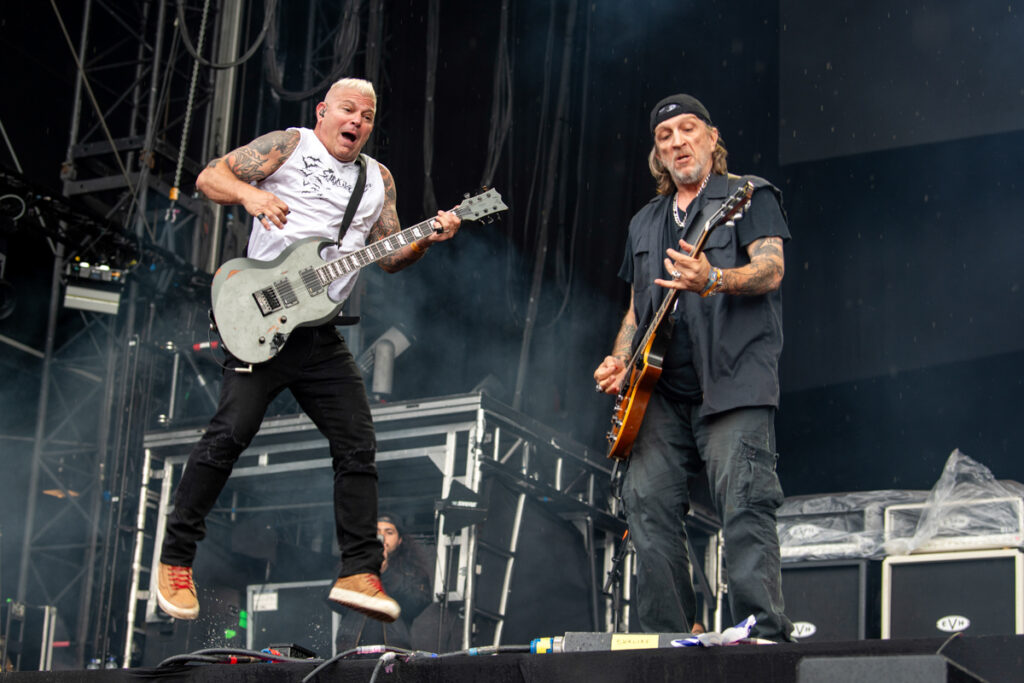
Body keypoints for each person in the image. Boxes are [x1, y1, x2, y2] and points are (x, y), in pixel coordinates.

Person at [155, 77, 461, 624]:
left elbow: (390, 257)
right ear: (323, 111)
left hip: (319, 333)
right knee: (229, 435)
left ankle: (358, 571)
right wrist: (251, 195)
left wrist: (425, 239)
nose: (357, 122)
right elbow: (208, 177)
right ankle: (176, 560)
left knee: (357, 441)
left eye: (367, 116)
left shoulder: (377, 180)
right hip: (260, 316)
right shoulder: (290, 145)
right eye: (348, 110)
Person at [593, 94, 794, 642]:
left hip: (733, 381)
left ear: (711, 137)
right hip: (658, 391)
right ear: (657, 155)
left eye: (688, 129)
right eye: (665, 136)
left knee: (745, 504)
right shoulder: (644, 222)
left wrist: (714, 279)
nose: (678, 142)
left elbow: (772, 268)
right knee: (646, 508)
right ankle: (669, 642)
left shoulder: (748, 194)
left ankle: (762, 636)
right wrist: (620, 359)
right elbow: (636, 308)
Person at [335, 514, 433, 650]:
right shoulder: (355, 563)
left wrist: (386, 572)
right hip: (352, 649)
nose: (382, 537)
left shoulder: (411, 571)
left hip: (394, 649)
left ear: (400, 540)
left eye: (389, 532)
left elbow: (416, 604)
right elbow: (333, 599)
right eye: (376, 532)